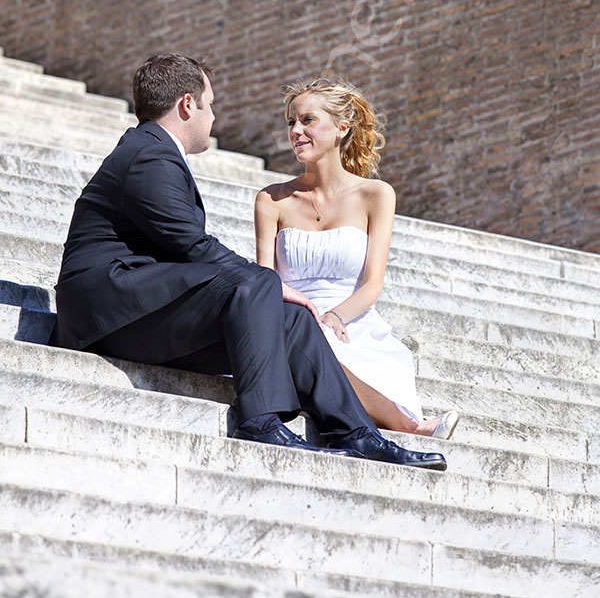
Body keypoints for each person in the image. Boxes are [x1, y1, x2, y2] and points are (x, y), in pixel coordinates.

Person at [50, 54, 447, 469]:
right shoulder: (149, 154)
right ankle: (258, 419)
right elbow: (191, 245)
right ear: (188, 105)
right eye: (211, 104)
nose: (213, 115)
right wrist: (271, 283)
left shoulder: (151, 152)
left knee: (291, 319)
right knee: (259, 283)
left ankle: (355, 433)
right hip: (107, 312)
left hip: (136, 309)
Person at [255, 77, 460, 440]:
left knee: (336, 348)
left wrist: (335, 317)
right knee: (308, 340)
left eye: (307, 120)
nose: (296, 131)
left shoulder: (376, 195)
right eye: (291, 122)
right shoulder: (271, 200)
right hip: (292, 317)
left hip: (352, 320)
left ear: (341, 128)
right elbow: (264, 279)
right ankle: (409, 426)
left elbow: (372, 283)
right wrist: (306, 317)